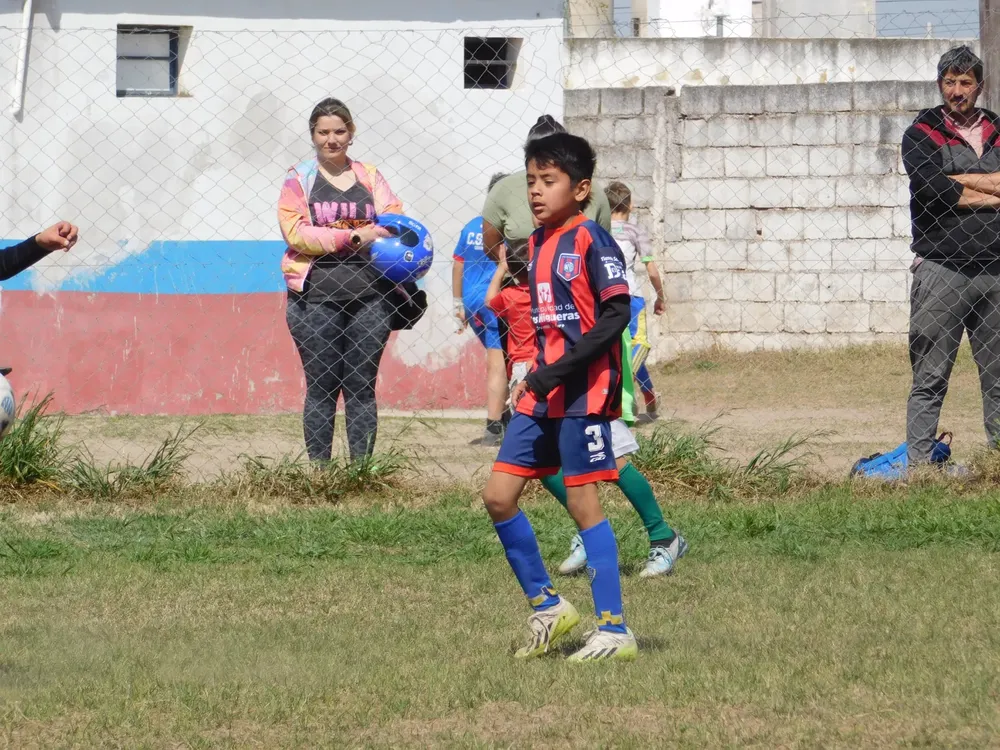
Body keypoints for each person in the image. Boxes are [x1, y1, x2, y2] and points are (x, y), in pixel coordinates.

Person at [482, 131, 637, 662]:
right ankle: (549, 607)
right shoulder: (538, 245)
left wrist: (558, 371)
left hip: (582, 394)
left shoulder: (593, 240)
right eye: (531, 182)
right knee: (498, 496)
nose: (536, 192)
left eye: (549, 181)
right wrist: (535, 373)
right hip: (541, 393)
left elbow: (617, 315)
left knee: (582, 504)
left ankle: (614, 630)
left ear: (581, 188)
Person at [489, 238, 688, 579]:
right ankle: (588, 528)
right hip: (542, 383)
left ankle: (663, 536)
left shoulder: (588, 257)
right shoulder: (537, 290)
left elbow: (607, 321)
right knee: (542, 462)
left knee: (615, 460)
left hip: (584, 384)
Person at [278, 97, 402, 463]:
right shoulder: (298, 179)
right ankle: (320, 471)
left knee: (362, 387)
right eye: (323, 132)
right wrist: (353, 237)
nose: (331, 139)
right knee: (321, 387)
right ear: (313, 136)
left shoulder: (371, 175)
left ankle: (360, 471)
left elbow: (395, 220)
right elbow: (295, 232)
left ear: (351, 133)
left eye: (339, 131)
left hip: (371, 297)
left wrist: (372, 231)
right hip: (314, 299)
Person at [902, 46, 1000, 465]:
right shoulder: (920, 133)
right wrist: (994, 188)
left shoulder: (998, 129)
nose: (957, 91)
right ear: (939, 84)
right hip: (942, 268)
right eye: (949, 82)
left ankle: (997, 461)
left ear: (980, 85)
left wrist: (960, 183)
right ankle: (921, 466)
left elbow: (950, 189)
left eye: (965, 82)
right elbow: (932, 190)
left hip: (995, 270)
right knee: (930, 376)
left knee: (998, 376)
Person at [452, 173, 509, 446]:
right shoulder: (508, 229)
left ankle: (506, 418)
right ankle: (493, 426)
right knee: (498, 361)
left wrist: (458, 303)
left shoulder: (472, 226)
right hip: (495, 301)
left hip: (472, 302)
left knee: (502, 357)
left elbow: (458, 264)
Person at [605, 181, 667, 421]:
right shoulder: (635, 231)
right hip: (631, 295)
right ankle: (623, 391)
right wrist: (660, 296)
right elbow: (650, 267)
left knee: (619, 349)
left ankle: (649, 396)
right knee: (638, 344)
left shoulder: (599, 230)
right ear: (630, 205)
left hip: (606, 296)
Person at [484, 239, 534, 398]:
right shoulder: (545, 292)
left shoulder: (509, 296)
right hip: (546, 359)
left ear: (511, 270)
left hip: (520, 363)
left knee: (521, 411)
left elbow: (489, 301)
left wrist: (501, 268)